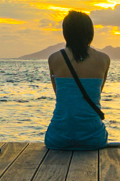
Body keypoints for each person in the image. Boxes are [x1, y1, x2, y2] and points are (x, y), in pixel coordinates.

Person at [44, 10, 111, 150]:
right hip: (93, 139)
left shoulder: (54, 59)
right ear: (90, 32)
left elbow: (60, 95)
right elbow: (95, 95)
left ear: (66, 33)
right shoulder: (104, 60)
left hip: (58, 138)